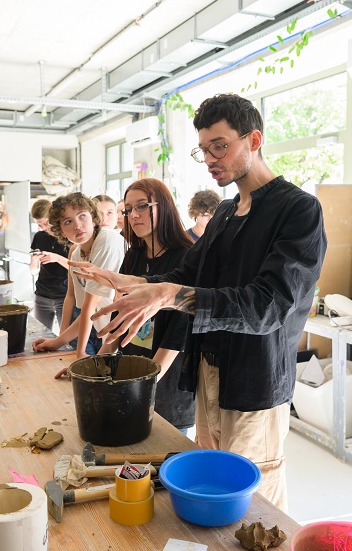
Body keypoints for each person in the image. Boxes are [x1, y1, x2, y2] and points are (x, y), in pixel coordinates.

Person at [73, 93, 326, 509]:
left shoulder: (298, 210)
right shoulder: (225, 214)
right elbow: (187, 277)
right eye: (204, 150)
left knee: (254, 500)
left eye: (220, 146)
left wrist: (166, 294)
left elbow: (268, 306)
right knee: (213, 482)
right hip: (209, 372)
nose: (210, 159)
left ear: (254, 139)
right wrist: (130, 280)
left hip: (255, 382)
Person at [104, 179, 196, 432]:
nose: (133, 215)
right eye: (128, 209)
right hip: (131, 373)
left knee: (165, 460)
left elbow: (177, 337)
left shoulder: (187, 256)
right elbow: (121, 316)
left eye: (142, 206)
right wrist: (94, 366)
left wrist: (146, 388)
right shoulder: (134, 254)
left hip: (167, 384)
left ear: (163, 207)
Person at [32, 193, 125, 363]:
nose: (77, 226)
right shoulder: (76, 255)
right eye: (68, 221)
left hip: (129, 330)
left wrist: (80, 353)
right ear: (60, 230)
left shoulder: (107, 240)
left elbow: (91, 303)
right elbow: (86, 311)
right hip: (109, 329)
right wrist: (57, 342)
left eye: (82, 216)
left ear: (94, 219)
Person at [29, 198, 69, 332]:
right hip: (42, 295)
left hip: (64, 296)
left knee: (66, 339)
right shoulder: (39, 237)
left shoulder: (68, 237)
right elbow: (33, 271)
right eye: (39, 225)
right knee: (41, 335)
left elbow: (77, 268)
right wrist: (34, 262)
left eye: (46, 223)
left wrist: (56, 258)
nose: (44, 228)